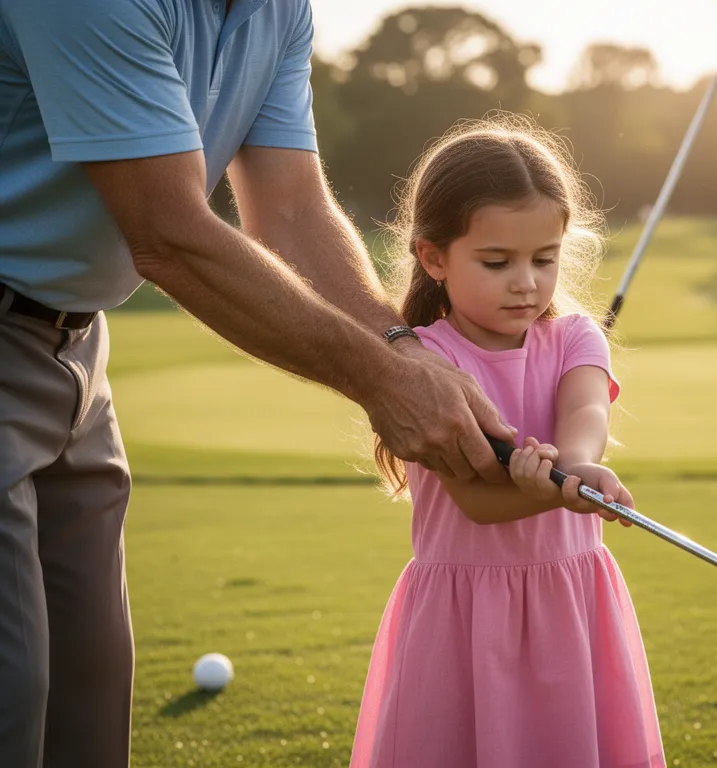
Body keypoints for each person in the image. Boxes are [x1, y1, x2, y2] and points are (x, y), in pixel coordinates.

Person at [0, 1, 514, 765]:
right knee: (14, 691)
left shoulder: (279, 9)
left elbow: (293, 208)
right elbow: (170, 234)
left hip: (80, 349)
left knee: (90, 692)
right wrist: (383, 380)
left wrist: (400, 344)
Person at [350, 116, 666, 768]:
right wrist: (558, 496)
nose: (526, 281)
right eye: (497, 262)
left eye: (544, 260)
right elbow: (479, 503)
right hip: (465, 616)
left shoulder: (577, 336)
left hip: (572, 604)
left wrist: (578, 466)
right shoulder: (425, 366)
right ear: (433, 257)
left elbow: (585, 410)